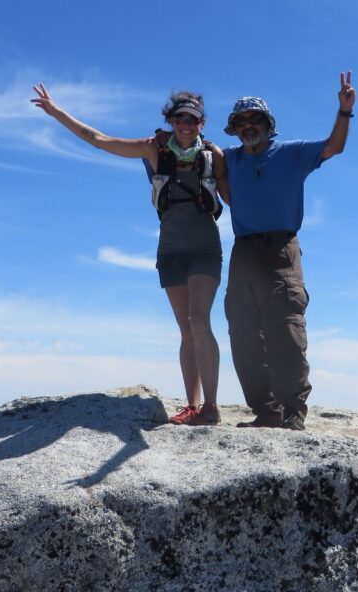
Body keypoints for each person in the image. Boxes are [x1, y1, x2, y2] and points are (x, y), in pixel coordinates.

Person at [31, 84, 228, 426]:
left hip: (204, 246)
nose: (186, 124)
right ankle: (193, 406)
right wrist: (57, 112)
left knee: (200, 321)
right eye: (180, 117)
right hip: (170, 248)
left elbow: (234, 193)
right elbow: (99, 139)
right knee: (185, 329)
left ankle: (211, 407)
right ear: (170, 120)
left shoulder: (214, 155)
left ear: (201, 124)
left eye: (193, 120)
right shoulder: (152, 149)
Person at [222, 71, 356, 431]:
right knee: (243, 333)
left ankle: (293, 413)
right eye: (241, 121)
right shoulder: (229, 161)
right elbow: (192, 149)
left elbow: (334, 146)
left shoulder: (292, 154)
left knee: (287, 331)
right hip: (244, 252)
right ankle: (266, 412)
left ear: (269, 124)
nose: (248, 126)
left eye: (255, 120)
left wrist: (344, 111)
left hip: (281, 248)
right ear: (234, 128)